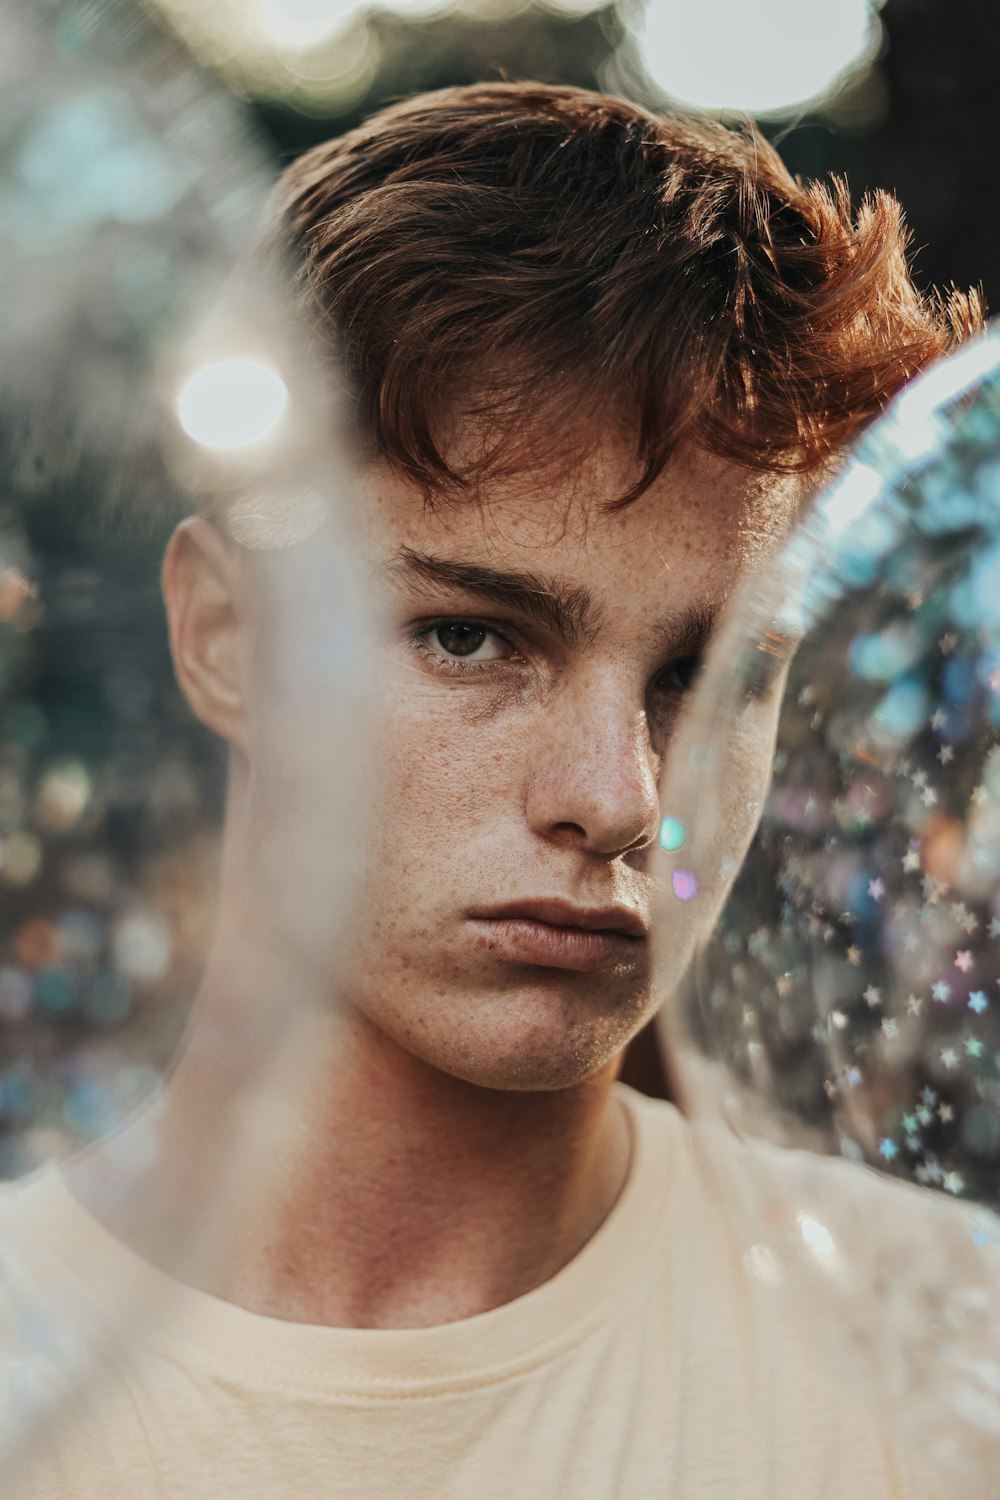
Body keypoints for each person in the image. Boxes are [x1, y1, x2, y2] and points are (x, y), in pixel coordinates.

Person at [6, 82, 992, 1499]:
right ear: (223, 634)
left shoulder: (953, 1365)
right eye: (471, 636)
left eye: (707, 678)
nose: (617, 796)